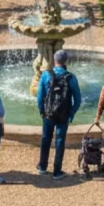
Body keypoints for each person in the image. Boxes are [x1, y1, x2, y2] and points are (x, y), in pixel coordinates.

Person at [36, 49, 82, 180]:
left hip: (48, 113)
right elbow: (78, 100)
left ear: (54, 61)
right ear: (65, 61)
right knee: (60, 141)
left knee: (46, 139)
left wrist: (42, 111)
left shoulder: (45, 75)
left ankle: (42, 167)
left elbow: (40, 97)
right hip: (63, 114)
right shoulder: (71, 77)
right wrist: (71, 113)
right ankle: (57, 171)